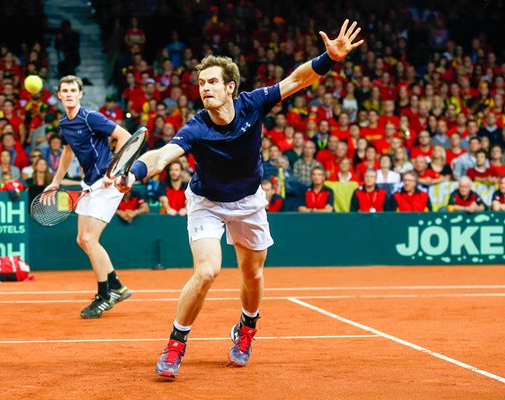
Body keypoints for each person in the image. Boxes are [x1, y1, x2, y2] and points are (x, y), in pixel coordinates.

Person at [113, 20, 363, 378]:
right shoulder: (197, 126)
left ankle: (246, 329)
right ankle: (176, 343)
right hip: (207, 203)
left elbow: (296, 80)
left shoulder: (252, 104)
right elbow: (163, 155)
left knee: (254, 275)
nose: (205, 88)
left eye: (212, 81)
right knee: (207, 271)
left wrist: (329, 58)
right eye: (201, 83)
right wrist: (134, 172)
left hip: (248, 202)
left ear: (230, 87)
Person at [45, 75, 134, 319]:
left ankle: (104, 296)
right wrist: (55, 180)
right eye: (65, 90)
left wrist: (114, 171)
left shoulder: (90, 117)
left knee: (89, 238)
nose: (70, 94)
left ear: (80, 94)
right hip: (90, 183)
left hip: (107, 184)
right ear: (60, 95)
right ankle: (117, 285)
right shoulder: (64, 123)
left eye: (74, 90)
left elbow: (125, 136)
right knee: (81, 240)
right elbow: (66, 151)